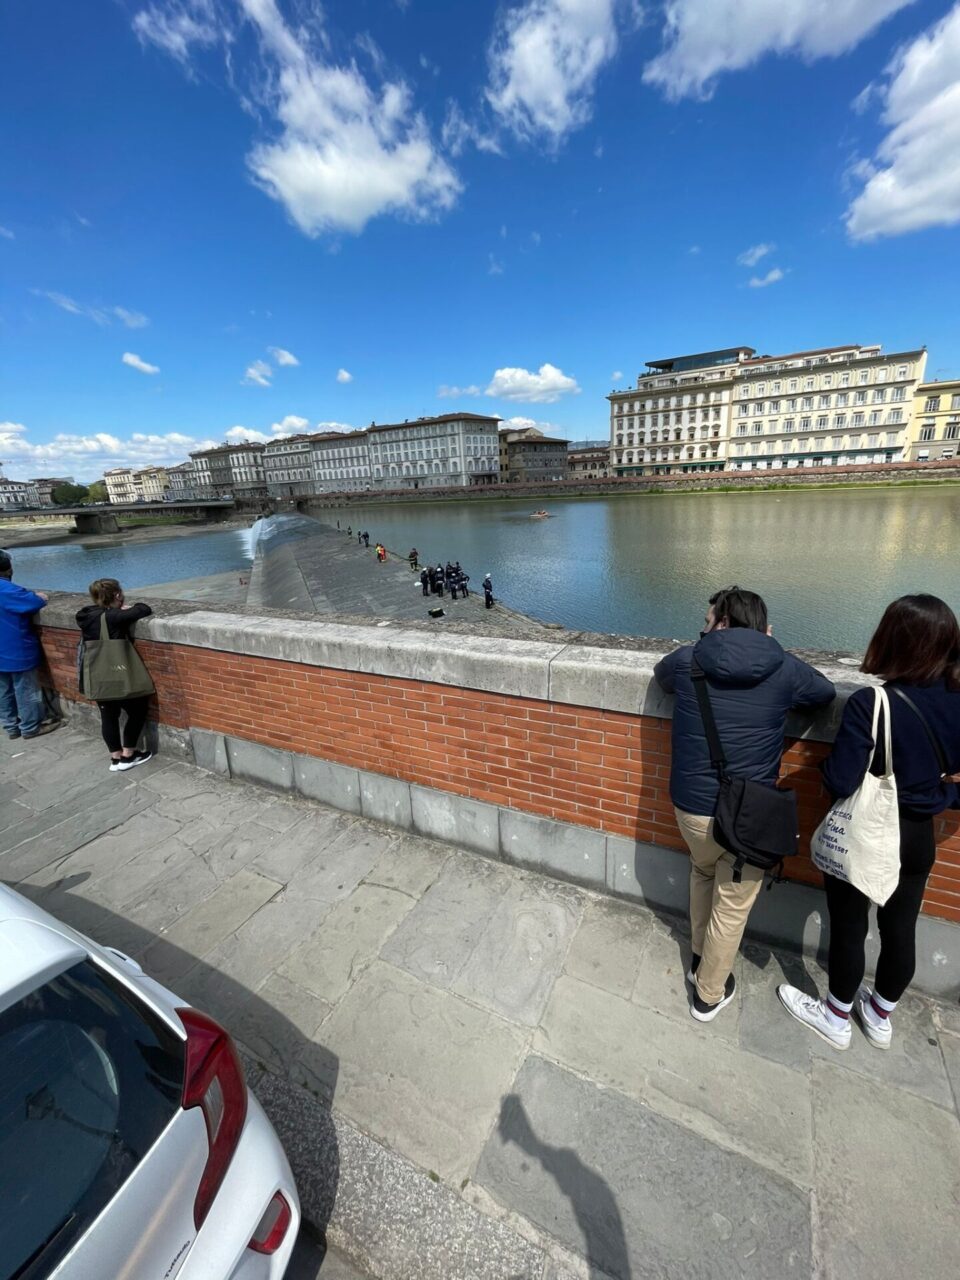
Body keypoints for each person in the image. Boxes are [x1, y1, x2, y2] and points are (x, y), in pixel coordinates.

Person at [778, 595, 960, 1050]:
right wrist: (940, 794)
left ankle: (835, 1017)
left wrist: (818, 770)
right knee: (900, 929)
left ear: (894, 640)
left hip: (868, 831)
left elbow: (842, 780)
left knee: (849, 928)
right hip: (917, 836)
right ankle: (879, 1016)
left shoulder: (872, 703)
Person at [653, 586, 835, 1023]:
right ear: (764, 628)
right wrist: (771, 650)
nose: (702, 629)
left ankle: (700, 962)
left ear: (723, 622)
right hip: (748, 814)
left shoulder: (688, 659)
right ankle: (708, 994)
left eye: (708, 621)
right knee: (731, 907)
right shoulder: (783, 666)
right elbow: (825, 693)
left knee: (701, 872)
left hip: (692, 809)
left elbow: (662, 676)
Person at [77, 579, 154, 772]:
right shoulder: (114, 616)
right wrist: (127, 608)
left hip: (97, 674)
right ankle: (129, 755)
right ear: (117, 595)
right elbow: (144, 609)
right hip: (117, 671)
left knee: (108, 716)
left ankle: (115, 757)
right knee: (138, 710)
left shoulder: (86, 615)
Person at [0, 549, 60, 740]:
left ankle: (11, 727)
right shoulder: (7, 590)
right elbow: (32, 602)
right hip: (15, 649)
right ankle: (30, 727)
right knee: (26, 689)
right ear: (8, 569)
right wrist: (40, 597)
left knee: (4, 691)